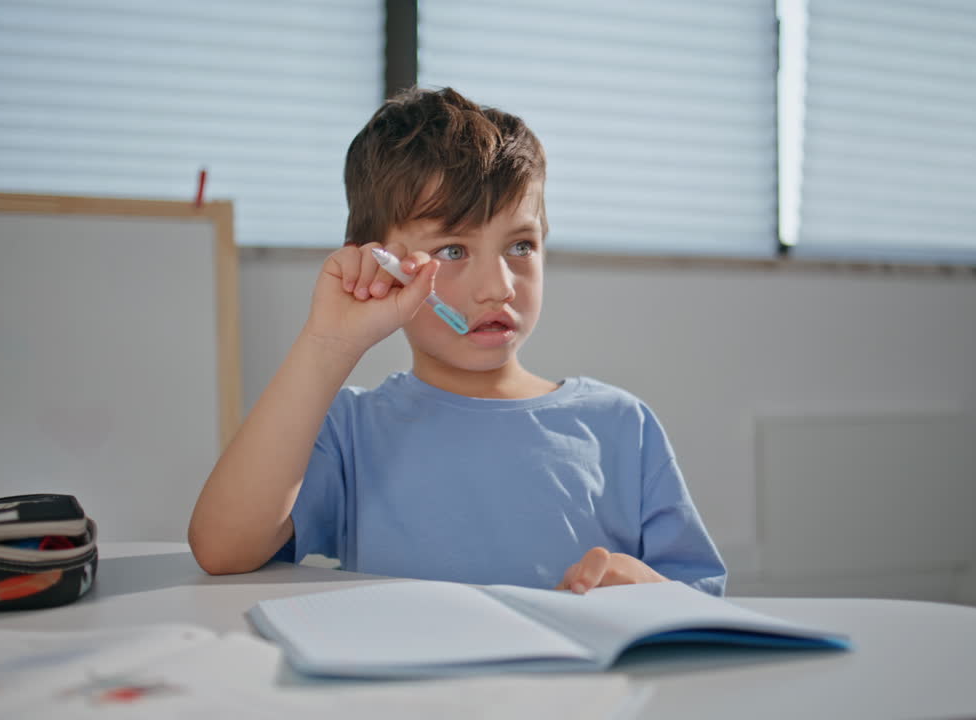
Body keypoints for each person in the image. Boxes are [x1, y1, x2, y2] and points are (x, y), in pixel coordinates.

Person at [189, 87, 726, 596]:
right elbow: (221, 548)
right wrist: (328, 344)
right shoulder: (351, 433)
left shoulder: (620, 426)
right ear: (382, 265)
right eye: (452, 251)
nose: (499, 287)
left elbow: (700, 604)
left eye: (521, 245)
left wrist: (646, 590)